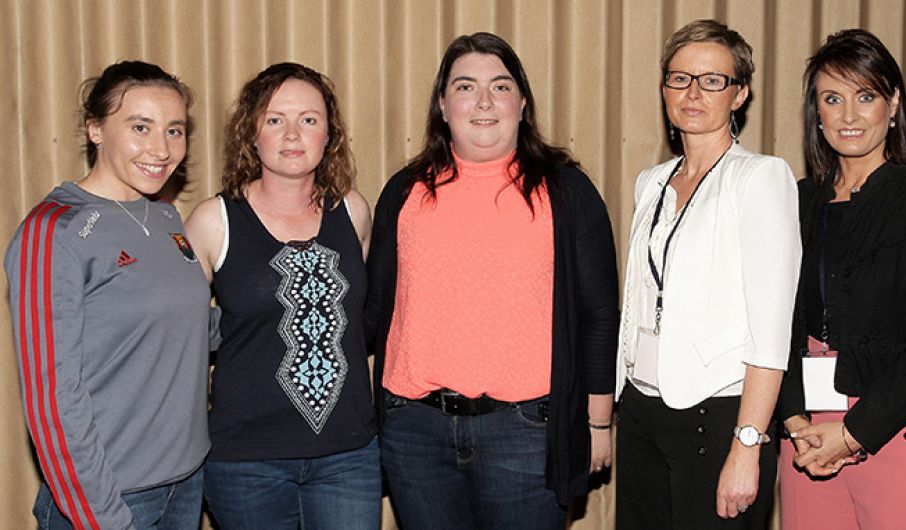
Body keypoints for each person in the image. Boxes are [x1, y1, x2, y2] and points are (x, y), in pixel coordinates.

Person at [365, 32, 619, 530]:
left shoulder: (565, 192)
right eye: (464, 87)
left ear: (522, 103)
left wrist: (598, 423)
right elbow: (373, 311)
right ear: (442, 105)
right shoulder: (403, 192)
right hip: (414, 433)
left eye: (500, 87)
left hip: (526, 434)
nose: (483, 102)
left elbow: (598, 316)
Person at [776, 29, 906, 530]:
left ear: (892, 104)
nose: (849, 116)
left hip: (900, 427)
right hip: (806, 433)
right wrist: (794, 420)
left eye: (865, 96)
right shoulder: (792, 202)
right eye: (833, 99)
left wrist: (851, 434)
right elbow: (770, 324)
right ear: (817, 113)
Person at [5, 61, 209, 530]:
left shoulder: (164, 218)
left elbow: (186, 325)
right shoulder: (54, 230)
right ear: (95, 129)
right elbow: (51, 399)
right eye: (141, 128)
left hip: (186, 482)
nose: (161, 149)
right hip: (110, 497)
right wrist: (101, 517)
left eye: (174, 131)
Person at [614, 19, 801, 529]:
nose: (693, 93)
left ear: (738, 94)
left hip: (715, 415)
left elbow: (770, 330)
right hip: (640, 410)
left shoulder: (760, 178)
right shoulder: (650, 182)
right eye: (680, 78)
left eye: (712, 80)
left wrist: (747, 445)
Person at [184, 62, 380, 529]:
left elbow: (361, 319)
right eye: (275, 119)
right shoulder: (214, 221)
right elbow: (183, 333)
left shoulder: (352, 210)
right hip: (246, 460)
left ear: (329, 135)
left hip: (348, 454)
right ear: (251, 132)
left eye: (309, 119)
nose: (293, 134)